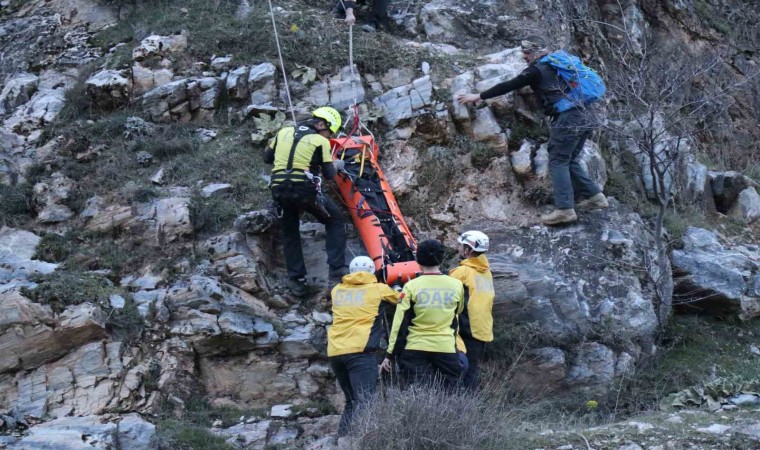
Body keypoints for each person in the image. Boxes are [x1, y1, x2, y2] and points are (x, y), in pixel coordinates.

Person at [457, 41, 609, 226]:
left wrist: (478, 96)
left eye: (526, 53)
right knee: (570, 159)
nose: (524, 57)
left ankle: (564, 209)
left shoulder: (536, 70)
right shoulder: (559, 64)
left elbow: (509, 84)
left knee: (558, 159)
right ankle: (595, 197)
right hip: (588, 113)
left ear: (532, 53)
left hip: (570, 117)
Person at [264, 107, 348, 296]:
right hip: (304, 190)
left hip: (279, 189)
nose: (329, 136)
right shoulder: (320, 141)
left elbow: (267, 157)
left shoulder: (283, 132)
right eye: (329, 132)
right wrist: (337, 164)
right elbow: (329, 174)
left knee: (290, 231)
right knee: (334, 220)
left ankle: (297, 281)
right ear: (321, 124)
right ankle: (336, 271)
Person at [328, 255, 400, 435]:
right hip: (360, 352)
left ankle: (342, 439)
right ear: (371, 271)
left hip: (336, 352)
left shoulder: (337, 290)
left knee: (351, 401)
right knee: (365, 400)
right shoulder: (379, 289)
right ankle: (361, 441)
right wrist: (397, 286)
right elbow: (401, 299)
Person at [381, 240, 465, 390]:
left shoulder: (411, 286)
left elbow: (399, 324)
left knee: (419, 394)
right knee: (452, 396)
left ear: (418, 260)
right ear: (441, 259)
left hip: (415, 349)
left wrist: (389, 355)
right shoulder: (456, 285)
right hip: (445, 347)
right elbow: (458, 311)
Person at [449, 231, 494, 391]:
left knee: (460, 372)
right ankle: (470, 407)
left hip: (466, 330)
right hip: (482, 329)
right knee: (472, 371)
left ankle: (460, 408)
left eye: (462, 246)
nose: (459, 249)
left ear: (468, 250)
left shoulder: (462, 272)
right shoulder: (486, 272)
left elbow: (444, 292)